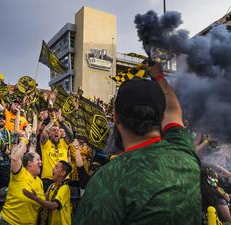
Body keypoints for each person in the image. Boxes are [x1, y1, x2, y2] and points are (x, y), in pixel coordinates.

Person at [73, 63, 202, 225]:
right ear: (161, 118)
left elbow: (172, 111)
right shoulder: (184, 152)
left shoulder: (108, 178)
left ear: (116, 117)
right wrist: (159, 76)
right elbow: (173, 111)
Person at [0, 134, 45, 225]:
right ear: (29, 163)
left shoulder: (40, 182)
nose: (41, 162)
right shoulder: (20, 173)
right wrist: (25, 139)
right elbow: (14, 158)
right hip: (9, 222)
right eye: (38, 160)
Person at [23, 160, 72, 225]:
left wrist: (34, 197)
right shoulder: (52, 186)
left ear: (63, 173)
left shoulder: (65, 188)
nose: (53, 169)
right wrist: (35, 196)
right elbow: (45, 202)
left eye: (56, 167)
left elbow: (53, 206)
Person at [40, 111, 73, 191]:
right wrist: (53, 120)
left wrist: (62, 122)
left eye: (58, 130)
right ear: (49, 134)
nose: (56, 132)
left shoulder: (64, 143)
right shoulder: (45, 144)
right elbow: (44, 132)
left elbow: (71, 135)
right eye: (53, 130)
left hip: (64, 179)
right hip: (48, 179)